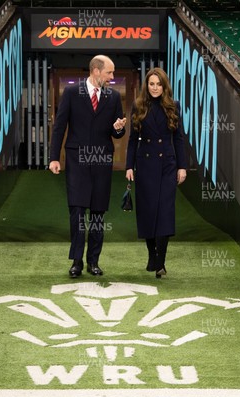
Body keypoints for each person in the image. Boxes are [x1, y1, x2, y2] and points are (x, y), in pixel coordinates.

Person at [49, 55, 127, 279]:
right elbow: (60, 126)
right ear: (95, 71)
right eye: (109, 73)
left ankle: (94, 261)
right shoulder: (72, 93)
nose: (112, 77)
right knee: (77, 210)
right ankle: (76, 261)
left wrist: (119, 128)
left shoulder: (113, 97)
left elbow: (116, 132)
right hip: (77, 161)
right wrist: (54, 157)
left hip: (102, 161)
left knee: (98, 213)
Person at [125, 67, 187, 278]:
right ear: (146, 85)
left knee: (165, 212)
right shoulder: (138, 106)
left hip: (167, 165)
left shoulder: (173, 106)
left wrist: (182, 166)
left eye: (158, 84)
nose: (155, 87)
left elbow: (179, 138)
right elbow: (133, 140)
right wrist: (128, 166)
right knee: (148, 211)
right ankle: (152, 253)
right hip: (145, 164)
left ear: (164, 86)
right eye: (151, 84)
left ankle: (161, 260)